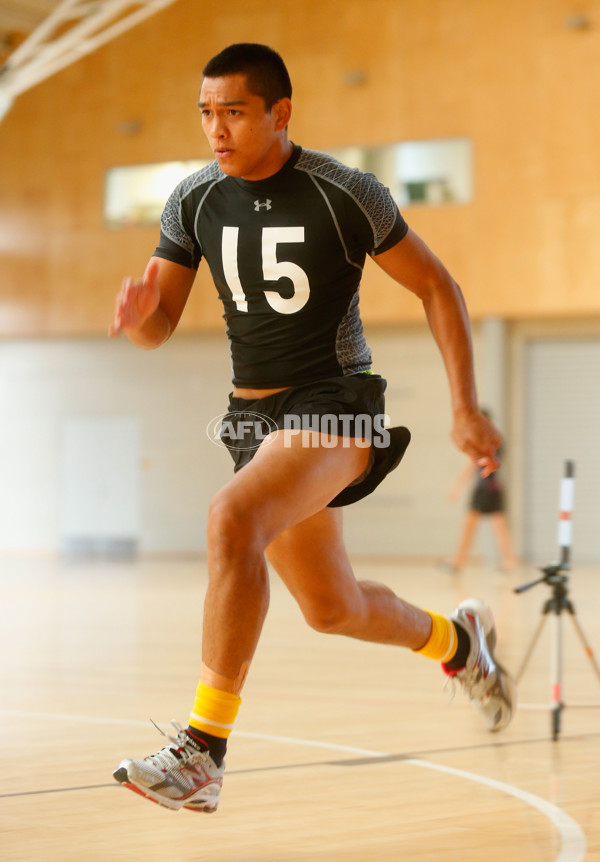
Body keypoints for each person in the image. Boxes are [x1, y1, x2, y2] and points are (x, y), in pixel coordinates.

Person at [109, 42, 516, 814]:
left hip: (334, 403)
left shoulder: (344, 191)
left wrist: (464, 406)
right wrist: (136, 321)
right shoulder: (193, 198)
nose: (216, 130)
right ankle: (461, 644)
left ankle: (202, 751)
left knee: (232, 519)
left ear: (279, 113)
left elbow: (438, 286)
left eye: (233, 112)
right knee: (332, 609)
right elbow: (160, 323)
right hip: (252, 420)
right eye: (205, 113)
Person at [445, 410, 518, 572]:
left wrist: (457, 487)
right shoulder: (494, 440)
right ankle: (458, 561)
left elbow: (472, 465)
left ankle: (509, 561)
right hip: (484, 489)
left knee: (498, 528)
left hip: (489, 489)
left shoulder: (493, 441)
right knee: (471, 527)